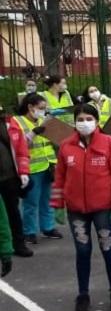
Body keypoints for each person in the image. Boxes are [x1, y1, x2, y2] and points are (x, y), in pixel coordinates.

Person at [50, 104, 111, 311]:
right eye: (80, 119)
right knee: (83, 251)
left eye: (88, 118)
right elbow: (59, 178)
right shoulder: (66, 146)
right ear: (74, 122)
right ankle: (83, 294)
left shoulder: (109, 144)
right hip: (76, 209)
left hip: (104, 208)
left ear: (96, 121)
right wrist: (57, 205)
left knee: (108, 248)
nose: (84, 122)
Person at [16, 93, 61, 243]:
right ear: (30, 107)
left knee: (47, 199)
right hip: (31, 168)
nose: (42, 111)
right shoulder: (17, 122)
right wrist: (32, 133)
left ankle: (47, 228)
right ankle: (29, 231)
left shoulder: (44, 120)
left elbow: (57, 141)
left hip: (49, 166)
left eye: (44, 108)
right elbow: (17, 145)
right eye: (40, 108)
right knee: (31, 202)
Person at [0, 104, 31, 257]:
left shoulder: (10, 124)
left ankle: (19, 244)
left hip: (9, 177)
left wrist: (23, 171)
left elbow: (21, 149)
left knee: (13, 212)